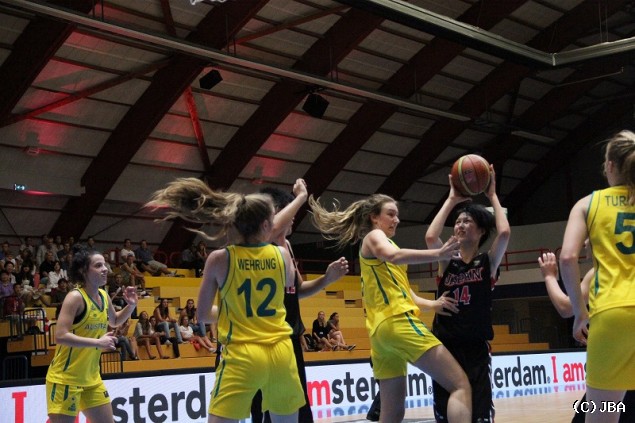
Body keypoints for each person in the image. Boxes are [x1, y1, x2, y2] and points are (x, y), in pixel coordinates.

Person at [147, 177, 306, 423]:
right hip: (281, 352)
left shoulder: (219, 258)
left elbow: (202, 315)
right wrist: (301, 197)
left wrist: (235, 311)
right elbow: (287, 289)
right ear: (266, 224)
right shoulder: (283, 255)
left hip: (242, 354)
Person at [309, 193, 471, 422]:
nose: (397, 220)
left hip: (380, 335)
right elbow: (393, 256)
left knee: (392, 413)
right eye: (391, 214)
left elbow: (407, 294)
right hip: (398, 323)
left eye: (397, 215)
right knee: (460, 385)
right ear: (374, 217)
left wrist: (433, 304)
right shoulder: (374, 236)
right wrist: (438, 253)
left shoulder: (383, 246)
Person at [252, 180, 350, 423]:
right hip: (266, 341)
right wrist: (301, 197)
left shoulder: (287, 246)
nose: (294, 216)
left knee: (298, 410)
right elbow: (270, 230)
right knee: (267, 412)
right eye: (290, 210)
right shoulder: (260, 243)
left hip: (290, 339)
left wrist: (327, 279)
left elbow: (298, 291)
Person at [559, 130, 635, 423]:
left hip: (611, 314)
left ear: (610, 166)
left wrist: (581, 314)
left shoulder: (588, 203)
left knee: (602, 412)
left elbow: (567, 258)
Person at [425, 165, 510, 423]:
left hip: (475, 346)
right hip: (445, 345)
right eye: (458, 222)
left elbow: (504, 232)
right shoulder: (446, 260)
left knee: (480, 414)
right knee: (446, 414)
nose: (460, 225)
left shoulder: (487, 262)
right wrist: (451, 199)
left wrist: (492, 195)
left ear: (481, 230)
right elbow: (431, 237)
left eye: (467, 221)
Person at [539, 251, 635, 423]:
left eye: (587, 239)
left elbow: (565, 307)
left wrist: (549, 277)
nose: (584, 244)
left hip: (616, 366)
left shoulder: (601, 271)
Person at [45, 246, 138, 423]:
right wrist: (97, 343)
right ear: (83, 271)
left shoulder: (103, 295)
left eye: (105, 264)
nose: (105, 269)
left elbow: (114, 321)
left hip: (92, 380)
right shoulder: (75, 297)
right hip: (65, 379)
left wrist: (131, 305)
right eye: (98, 265)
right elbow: (60, 336)